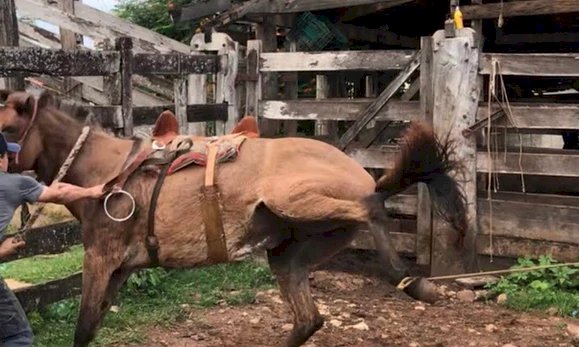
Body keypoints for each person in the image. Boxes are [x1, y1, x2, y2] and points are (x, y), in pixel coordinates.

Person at [0, 133, 105, 346]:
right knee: (16, 336)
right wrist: (93, 192)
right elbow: (59, 193)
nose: (8, 162)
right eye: (7, 157)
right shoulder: (13, 184)